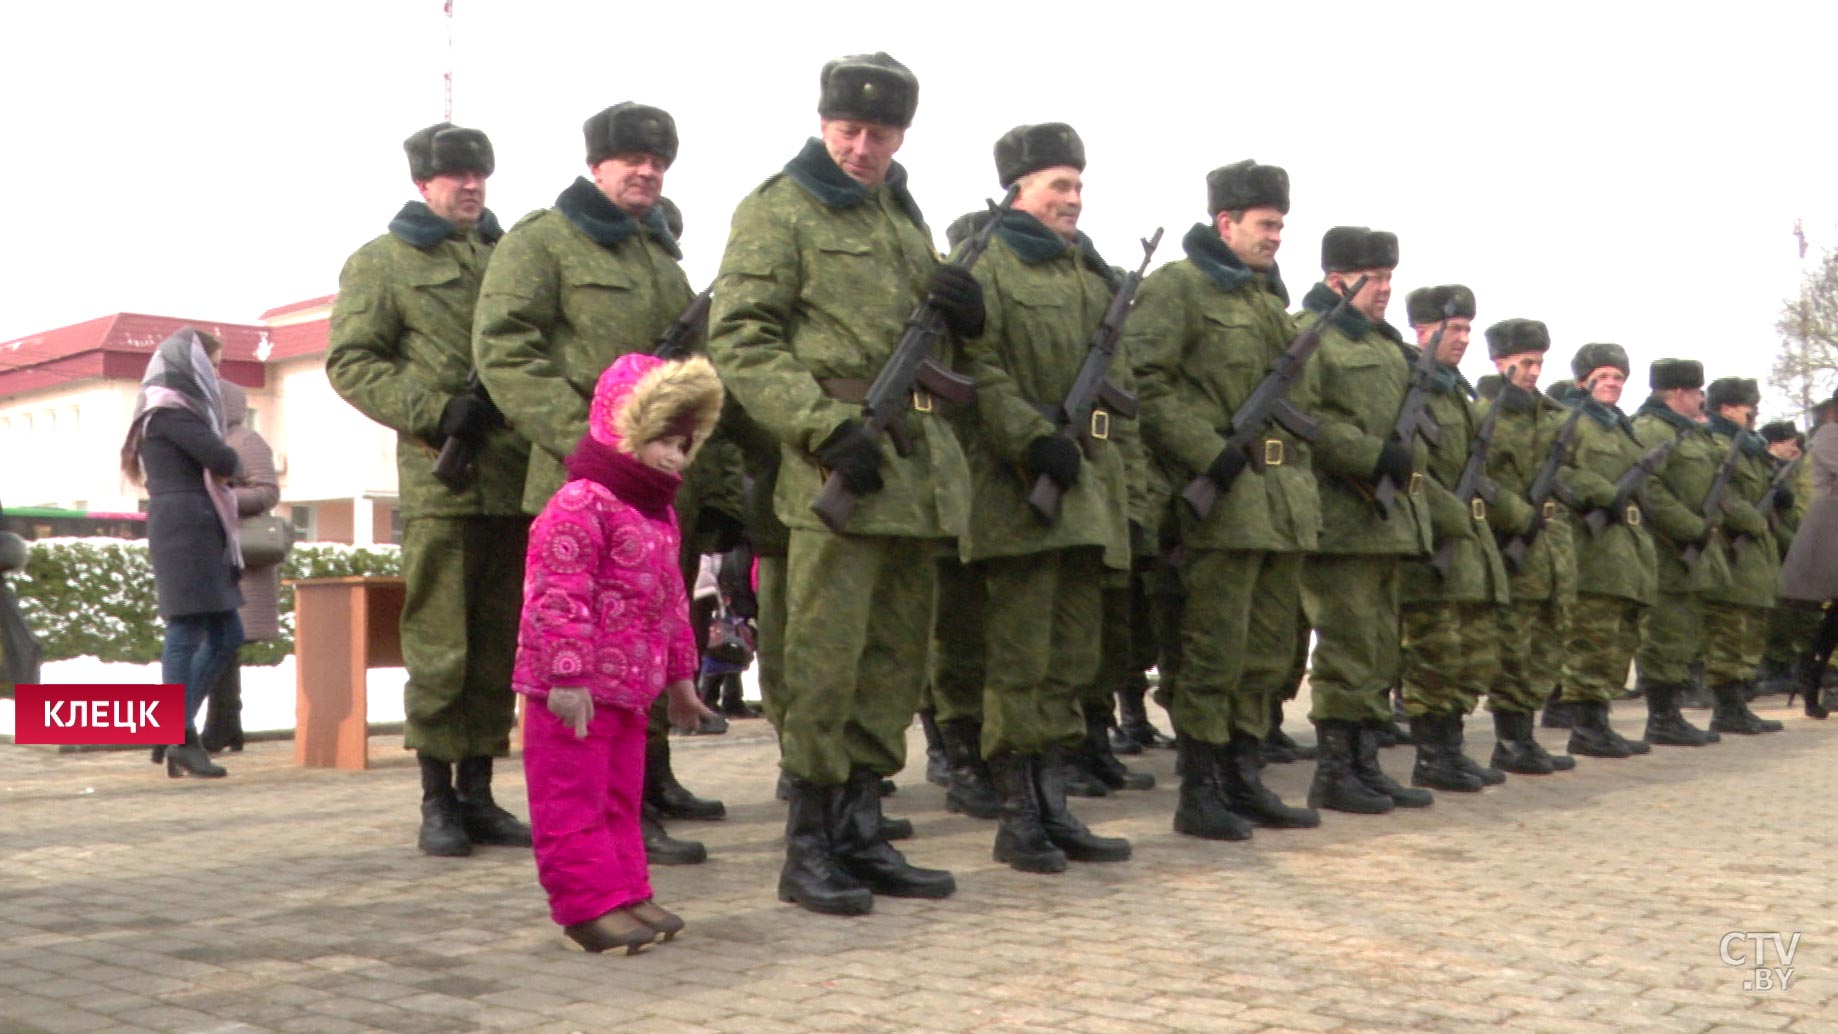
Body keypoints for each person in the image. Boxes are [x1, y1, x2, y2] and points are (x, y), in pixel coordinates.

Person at [708, 52, 976, 915]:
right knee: (823, 666)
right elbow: (743, 338)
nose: (862, 148)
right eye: (848, 131)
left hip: (911, 476)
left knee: (893, 666)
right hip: (836, 471)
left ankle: (863, 829)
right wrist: (825, 428)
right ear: (823, 123)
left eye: (882, 133)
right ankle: (811, 847)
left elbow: (930, 348)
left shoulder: (903, 215)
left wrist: (970, 317)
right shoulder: (777, 210)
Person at [472, 103, 726, 867]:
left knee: (648, 645)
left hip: (653, 494)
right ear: (596, 165)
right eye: (629, 158)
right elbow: (505, 351)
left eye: (657, 160)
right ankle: (598, 823)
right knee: (587, 655)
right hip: (579, 483)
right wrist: (589, 439)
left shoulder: (659, 257)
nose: (644, 170)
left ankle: (645, 793)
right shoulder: (540, 243)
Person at [328, 123, 535, 857]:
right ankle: (437, 799)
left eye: (479, 174)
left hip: (514, 483)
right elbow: (351, 361)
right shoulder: (383, 262)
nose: (470, 186)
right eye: (454, 176)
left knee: (495, 646)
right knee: (441, 644)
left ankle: (480, 792)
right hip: (443, 481)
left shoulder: (509, 259)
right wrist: (433, 411)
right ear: (423, 183)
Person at [953, 122, 1137, 872]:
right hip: (1018, 494)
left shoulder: (1088, 276)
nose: (1073, 198)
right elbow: (977, 370)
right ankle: (1019, 816)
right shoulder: (986, 267)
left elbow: (1121, 389)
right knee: (1022, 663)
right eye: (1059, 184)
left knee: (1071, 662)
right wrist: (1032, 440)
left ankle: (1054, 803)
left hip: (1086, 495)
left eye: (1078, 185)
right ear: (1017, 189)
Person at [1128, 159, 1322, 837]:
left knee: (1264, 655)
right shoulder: (1179, 288)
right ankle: (1202, 789)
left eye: (1280, 225)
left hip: (1278, 509)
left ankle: (1244, 778)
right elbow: (1143, 381)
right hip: (1221, 505)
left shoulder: (1268, 300)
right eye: (1266, 225)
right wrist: (1205, 448)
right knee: (1213, 652)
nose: (1275, 237)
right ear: (1226, 222)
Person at [515, 352, 721, 954]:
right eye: (661, 440)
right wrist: (567, 674)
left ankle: (626, 889)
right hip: (572, 691)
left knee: (619, 797)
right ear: (620, 426)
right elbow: (556, 592)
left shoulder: (656, 512)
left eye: (683, 445)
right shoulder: (582, 501)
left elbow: (670, 603)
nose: (672, 457)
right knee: (569, 797)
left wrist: (682, 682)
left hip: (632, 689)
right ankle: (585, 905)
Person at [1294, 227, 1435, 816]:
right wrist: (1368, 454)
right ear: (1337, 279)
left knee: (1379, 647)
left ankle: (1365, 765)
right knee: (1347, 645)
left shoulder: (1386, 346)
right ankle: (1334, 771)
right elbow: (1305, 417)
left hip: (1384, 520)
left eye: (1388, 278)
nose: (1384, 290)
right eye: (1374, 278)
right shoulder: (1311, 338)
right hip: (1339, 519)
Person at [1393, 288, 1521, 790]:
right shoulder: (1413, 383)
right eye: (1455, 328)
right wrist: (1451, 516)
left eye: (1469, 329)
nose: (1463, 339)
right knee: (1434, 655)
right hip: (1432, 542)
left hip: (1467, 544)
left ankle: (1451, 748)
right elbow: (1413, 465)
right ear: (1424, 331)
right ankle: (1431, 755)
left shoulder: (1457, 393)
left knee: (1470, 655)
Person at [1480, 322, 1609, 762]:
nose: (1534, 371)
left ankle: (1526, 737)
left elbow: (1567, 471)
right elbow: (1481, 479)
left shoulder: (1554, 415)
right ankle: (1510, 740)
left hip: (1554, 543)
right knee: (1514, 644)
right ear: (1500, 362)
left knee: (1549, 641)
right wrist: (1515, 515)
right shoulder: (1485, 414)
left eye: (1539, 362)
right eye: (1525, 362)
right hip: (1514, 540)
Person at [119, 328, 244, 778]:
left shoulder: (175, 410)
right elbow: (224, 460)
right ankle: (175, 733)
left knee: (225, 632)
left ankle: (172, 729)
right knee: (190, 627)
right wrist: (231, 462)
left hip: (194, 523)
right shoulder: (171, 409)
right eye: (213, 363)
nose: (217, 372)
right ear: (190, 367)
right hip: (185, 525)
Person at [1553, 344, 1665, 752]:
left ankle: (1600, 723)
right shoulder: (1571, 421)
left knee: (1619, 640)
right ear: (1584, 380)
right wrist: (1602, 492)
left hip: (1626, 548)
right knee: (1591, 639)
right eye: (1603, 376)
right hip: (1592, 546)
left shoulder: (1620, 425)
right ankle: (1584, 728)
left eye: (1619, 377)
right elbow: (1558, 471)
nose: (1612, 384)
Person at [1630, 360, 1746, 745]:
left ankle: (1671, 713)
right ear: (1678, 392)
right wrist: (1688, 527)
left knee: (1684, 633)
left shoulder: (1691, 434)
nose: (1702, 399)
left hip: (1693, 552)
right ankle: (1661, 717)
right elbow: (1648, 487)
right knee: (1664, 634)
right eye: (1697, 392)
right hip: (1667, 550)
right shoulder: (1650, 429)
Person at [1699, 377, 1785, 735]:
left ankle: (1738, 705)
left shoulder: (1750, 447)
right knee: (1728, 632)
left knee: (1749, 630)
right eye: (1750, 405)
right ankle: (1726, 707)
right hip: (1732, 547)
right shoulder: (1718, 444)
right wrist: (1753, 521)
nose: (1755, 411)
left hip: (1755, 553)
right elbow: (1722, 494)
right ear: (1727, 409)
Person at [200, 380, 281, 754]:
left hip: (243, 560)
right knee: (220, 646)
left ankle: (221, 727)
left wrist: (224, 495)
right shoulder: (203, 440)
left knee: (222, 644)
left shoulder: (246, 441)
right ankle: (227, 726)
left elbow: (267, 491)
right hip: (216, 556)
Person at [1780, 396, 1838, 718]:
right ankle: (1813, 677)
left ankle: (1811, 676)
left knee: (1834, 619)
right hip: (1831, 530)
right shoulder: (1829, 433)